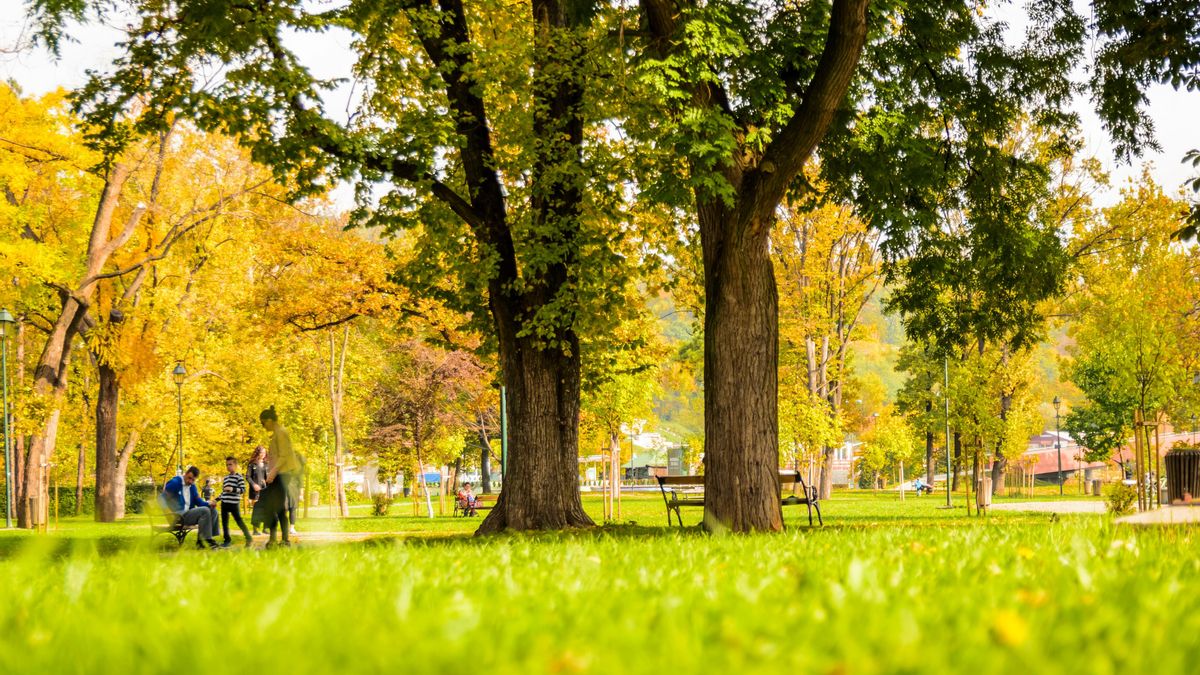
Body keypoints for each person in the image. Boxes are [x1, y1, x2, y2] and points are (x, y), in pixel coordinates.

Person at [260, 406, 301, 547]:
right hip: (278, 474)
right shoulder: (277, 434)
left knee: (278, 507)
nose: (263, 426)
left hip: (283, 474)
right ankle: (274, 539)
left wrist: (272, 472)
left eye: (263, 423)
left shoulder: (281, 433)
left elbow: (284, 456)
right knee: (273, 507)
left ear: (270, 420)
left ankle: (283, 540)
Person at [162, 466, 219, 549]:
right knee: (205, 511)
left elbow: (199, 502)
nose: (190, 481)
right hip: (177, 516)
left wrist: (209, 504)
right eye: (189, 478)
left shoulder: (192, 487)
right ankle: (202, 542)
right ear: (185, 473)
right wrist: (168, 514)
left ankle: (208, 539)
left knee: (213, 510)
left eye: (193, 480)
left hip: (187, 514)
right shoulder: (175, 483)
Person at [219, 455, 253, 548]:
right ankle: (227, 540)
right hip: (224, 503)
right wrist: (216, 499)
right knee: (224, 522)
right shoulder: (226, 478)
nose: (228, 466)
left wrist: (232, 489)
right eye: (227, 465)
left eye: (230, 464)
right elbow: (223, 492)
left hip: (234, 504)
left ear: (236, 465)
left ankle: (249, 538)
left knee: (239, 521)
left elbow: (242, 490)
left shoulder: (239, 477)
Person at [247, 446, 269, 535]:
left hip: (265, 489)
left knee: (267, 508)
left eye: (264, 453)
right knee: (257, 509)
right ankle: (255, 529)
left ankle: (265, 528)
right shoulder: (252, 464)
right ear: (257, 453)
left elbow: (267, 477)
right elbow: (248, 477)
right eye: (261, 452)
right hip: (255, 490)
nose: (263, 455)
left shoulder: (266, 464)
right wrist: (254, 485)